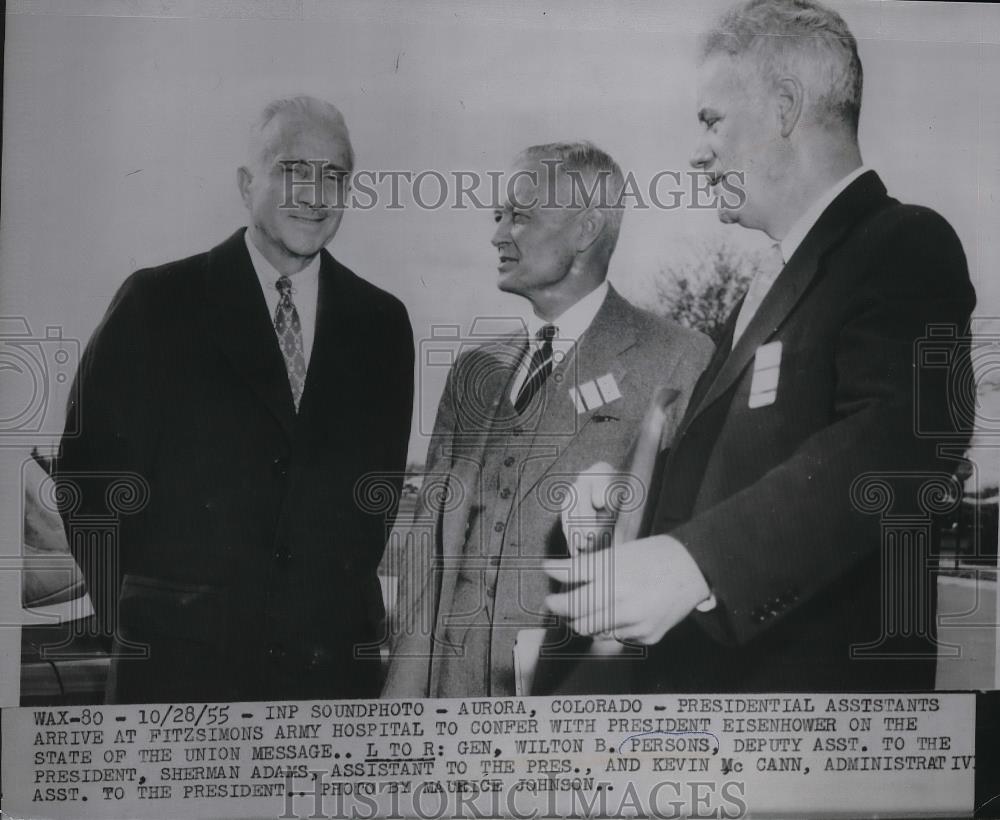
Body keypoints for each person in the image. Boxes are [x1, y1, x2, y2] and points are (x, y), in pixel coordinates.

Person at [545, 0, 977, 692]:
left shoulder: (902, 246)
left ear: (783, 108)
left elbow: (899, 444)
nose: (697, 149)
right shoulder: (767, 288)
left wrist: (698, 565)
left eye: (712, 119)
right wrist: (624, 495)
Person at [57, 96, 414, 703]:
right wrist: (153, 620)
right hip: (177, 678)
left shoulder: (382, 323)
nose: (315, 193)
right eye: (293, 170)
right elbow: (88, 483)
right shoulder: (156, 304)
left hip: (328, 683)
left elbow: (370, 505)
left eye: (334, 175)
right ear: (247, 184)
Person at [383, 142, 713, 698]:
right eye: (497, 216)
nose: (497, 234)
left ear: (586, 229)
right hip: (449, 704)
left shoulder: (681, 357)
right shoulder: (475, 369)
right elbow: (426, 559)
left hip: (574, 705)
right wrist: (402, 705)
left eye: (520, 216)